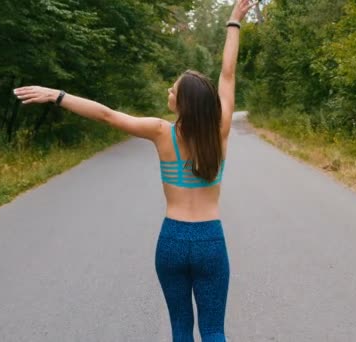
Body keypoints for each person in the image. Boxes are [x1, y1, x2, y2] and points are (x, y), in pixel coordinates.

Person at [13, 1, 257, 340]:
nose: (168, 92)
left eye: (173, 90)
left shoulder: (161, 132)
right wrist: (234, 22)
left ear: (183, 103)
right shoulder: (221, 131)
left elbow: (108, 116)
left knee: (181, 329)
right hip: (210, 241)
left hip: (171, 240)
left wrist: (58, 95)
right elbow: (227, 74)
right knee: (214, 330)